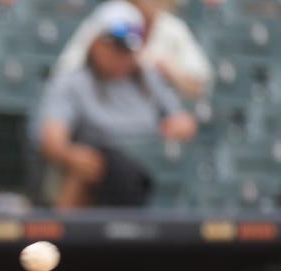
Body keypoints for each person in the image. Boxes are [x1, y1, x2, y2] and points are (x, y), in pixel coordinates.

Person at [36, 0, 197, 208]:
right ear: (95, 44)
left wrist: (179, 125)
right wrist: (72, 155)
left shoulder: (147, 77)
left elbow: (184, 121)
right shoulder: (72, 82)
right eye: (115, 47)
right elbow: (52, 138)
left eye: (128, 50)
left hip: (147, 167)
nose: (122, 57)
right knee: (92, 166)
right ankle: (68, 236)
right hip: (101, 175)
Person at [54, 0, 212, 101]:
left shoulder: (173, 28)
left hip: (149, 122)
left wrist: (168, 69)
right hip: (102, 112)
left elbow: (200, 85)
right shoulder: (109, 16)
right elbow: (65, 71)